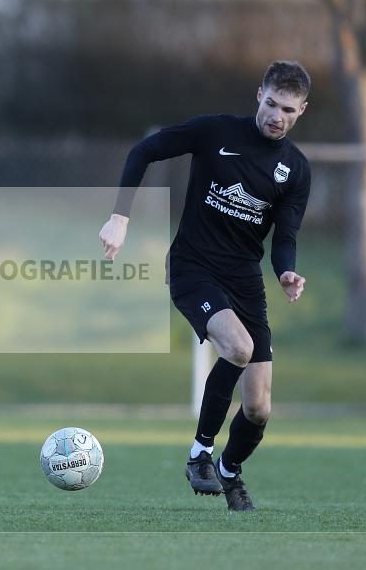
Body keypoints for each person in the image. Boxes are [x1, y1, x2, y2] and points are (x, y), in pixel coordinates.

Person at [98, 61, 311, 511]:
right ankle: (201, 453)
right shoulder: (215, 132)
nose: (277, 115)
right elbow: (144, 151)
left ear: (301, 111)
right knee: (238, 347)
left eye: (288, 109)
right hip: (193, 267)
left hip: (245, 279)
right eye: (271, 103)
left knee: (259, 408)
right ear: (259, 95)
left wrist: (286, 272)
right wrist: (120, 216)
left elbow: (285, 237)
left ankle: (230, 471)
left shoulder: (295, 169)